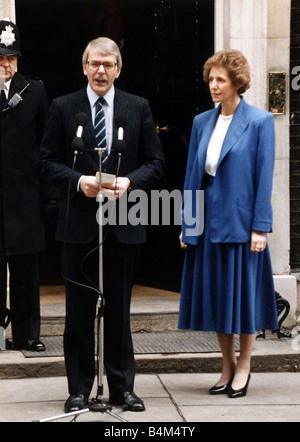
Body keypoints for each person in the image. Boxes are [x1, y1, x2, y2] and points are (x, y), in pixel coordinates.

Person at [40, 37, 165, 413]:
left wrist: (129, 182)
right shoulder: (64, 107)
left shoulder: (137, 106)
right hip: (78, 222)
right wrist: (80, 182)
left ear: (118, 69)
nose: (101, 71)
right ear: (84, 67)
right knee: (78, 310)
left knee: (119, 309)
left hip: (123, 220)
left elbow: (156, 162)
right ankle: (78, 388)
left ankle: (122, 388)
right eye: (95, 63)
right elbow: (46, 161)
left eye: (108, 65)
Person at [178, 49, 278, 398]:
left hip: (242, 225)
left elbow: (264, 178)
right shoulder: (201, 121)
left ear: (237, 83)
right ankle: (226, 366)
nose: (214, 86)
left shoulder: (260, 121)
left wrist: (260, 227)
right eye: (211, 80)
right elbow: (192, 176)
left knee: (244, 300)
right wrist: (188, 225)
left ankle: (246, 364)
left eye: (221, 80)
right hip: (208, 226)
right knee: (219, 299)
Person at [0, 19, 48, 351]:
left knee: (26, 273)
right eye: (1, 58)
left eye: (11, 58)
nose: (6, 64)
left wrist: (48, 196)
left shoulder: (34, 92)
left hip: (24, 197)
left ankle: (28, 333)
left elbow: (46, 146)